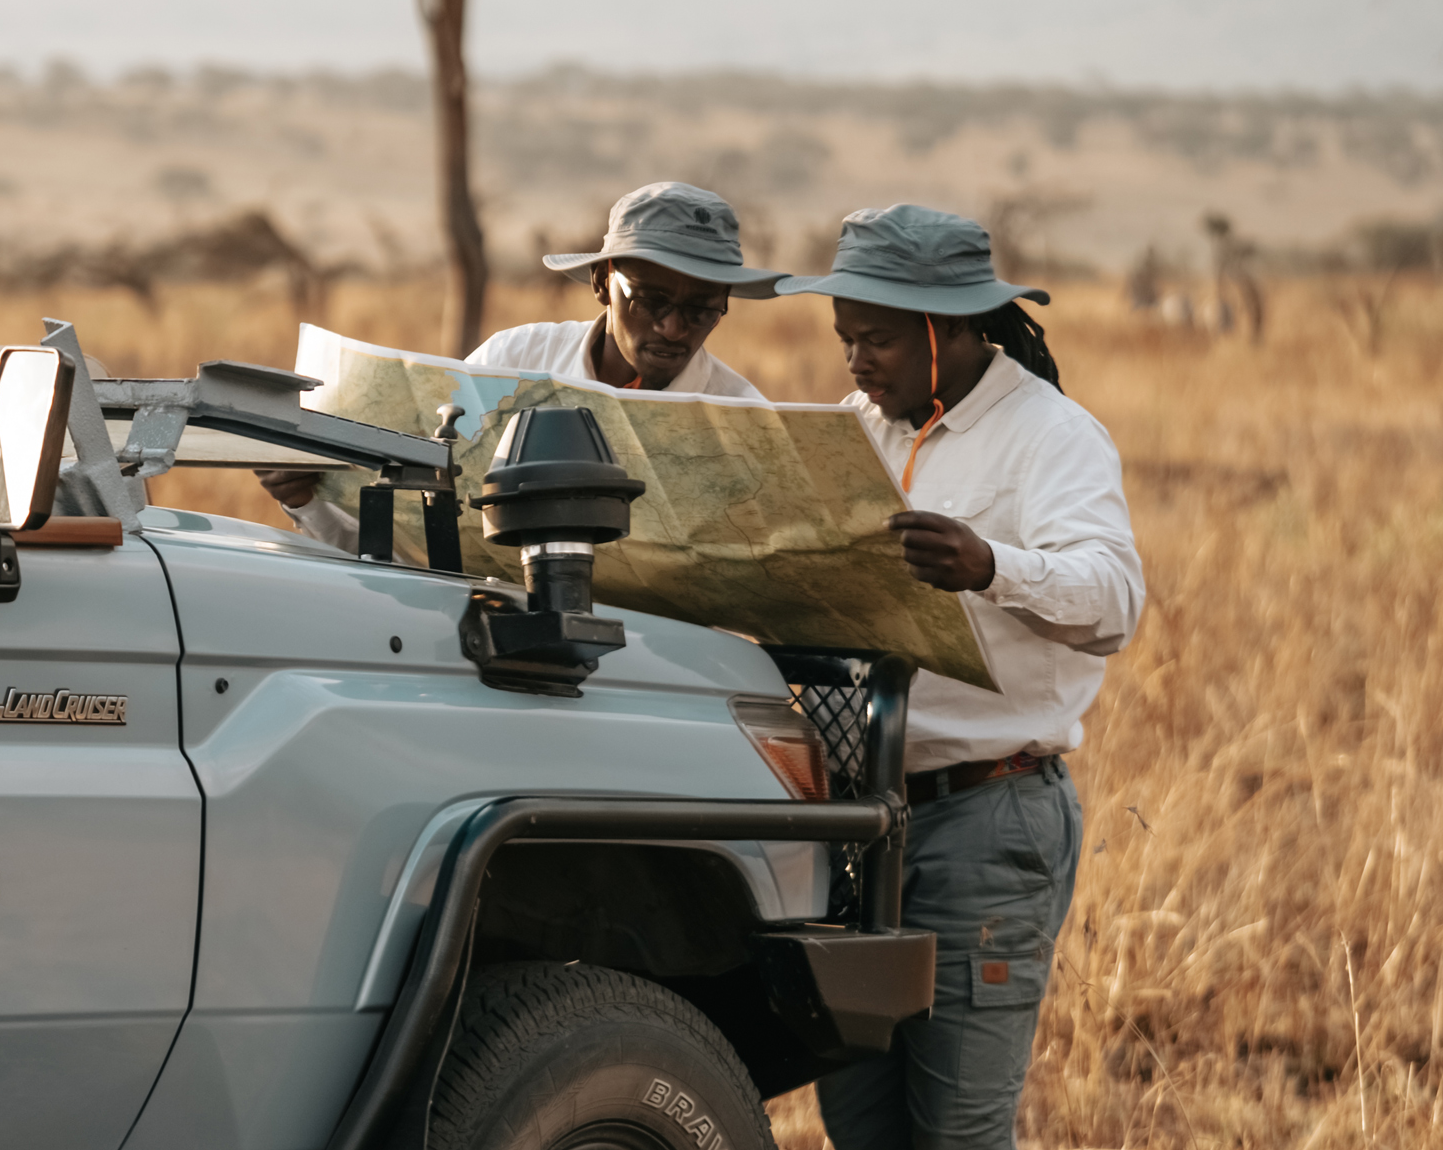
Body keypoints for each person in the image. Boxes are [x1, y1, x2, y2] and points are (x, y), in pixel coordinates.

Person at [773, 204, 1144, 1150]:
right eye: (846, 337)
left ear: (951, 329)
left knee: (958, 1133)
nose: (857, 361)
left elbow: (1115, 600)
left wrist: (992, 566)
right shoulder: (861, 432)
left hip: (986, 816)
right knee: (859, 1123)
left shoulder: (1050, 435)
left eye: (881, 340)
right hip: (858, 818)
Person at [259, 181, 781, 548]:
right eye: (650, 301)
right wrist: (310, 500)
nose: (672, 328)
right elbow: (417, 544)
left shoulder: (738, 418)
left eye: (701, 310)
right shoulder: (510, 363)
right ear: (602, 283)